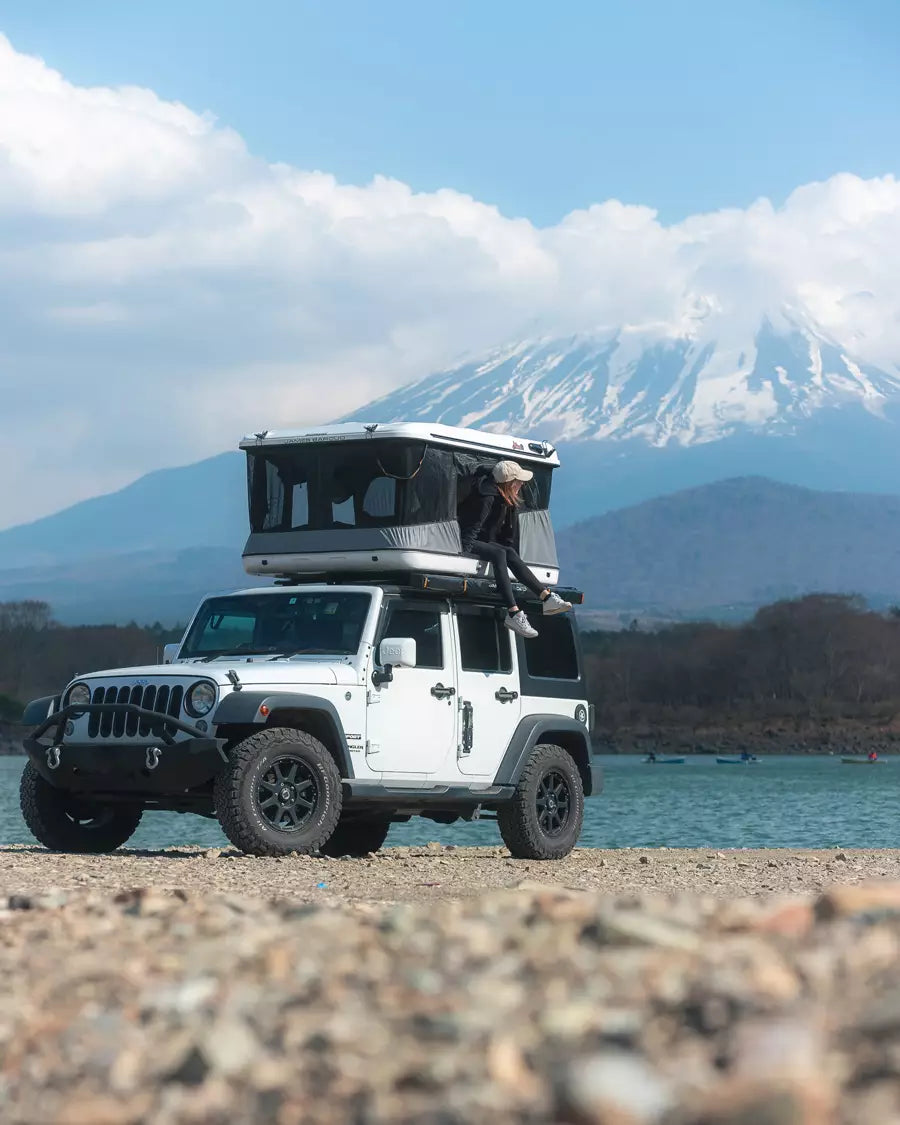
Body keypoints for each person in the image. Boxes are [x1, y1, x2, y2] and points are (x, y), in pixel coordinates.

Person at [458, 459, 571, 638]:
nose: (521, 484)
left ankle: (546, 597)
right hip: (467, 541)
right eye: (518, 481)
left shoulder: (502, 497)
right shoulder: (486, 498)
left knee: (508, 551)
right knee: (499, 553)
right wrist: (464, 553)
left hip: (481, 540)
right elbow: (471, 531)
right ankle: (513, 613)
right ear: (509, 483)